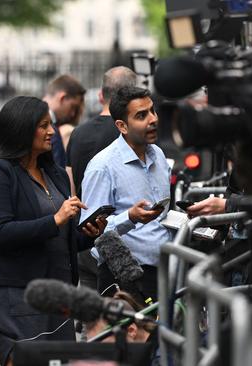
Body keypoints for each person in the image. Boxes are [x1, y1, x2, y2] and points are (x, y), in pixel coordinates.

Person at [0, 96, 106, 366]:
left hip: (58, 296)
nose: (52, 132)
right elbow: (0, 233)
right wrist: (56, 219)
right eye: (44, 125)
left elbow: (62, 238)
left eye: (51, 124)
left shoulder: (55, 173)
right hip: (19, 296)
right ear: (21, 129)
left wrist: (88, 232)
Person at [81, 86, 172, 301]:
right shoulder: (102, 166)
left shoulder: (158, 154)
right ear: (122, 126)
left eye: (152, 111)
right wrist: (129, 218)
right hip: (125, 279)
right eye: (141, 115)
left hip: (165, 274)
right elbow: (92, 231)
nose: (153, 119)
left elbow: (163, 218)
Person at [65, 66, 138, 297]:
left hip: (85, 232)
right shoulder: (128, 133)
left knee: (91, 315)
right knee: (126, 312)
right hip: (122, 239)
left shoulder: (78, 134)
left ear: (100, 95)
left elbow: (70, 186)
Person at [42, 74, 86, 168]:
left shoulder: (39, 119)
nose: (73, 114)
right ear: (62, 98)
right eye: (72, 107)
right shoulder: (46, 125)